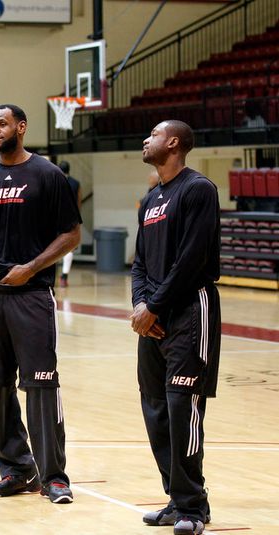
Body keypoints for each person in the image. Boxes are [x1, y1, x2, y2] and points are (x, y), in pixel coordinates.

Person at [0, 104, 81, 504]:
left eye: (2, 123)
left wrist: (31, 267)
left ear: (21, 128)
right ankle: (15, 470)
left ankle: (54, 476)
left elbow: (71, 234)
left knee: (41, 386)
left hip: (31, 296)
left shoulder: (47, 175)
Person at [131, 120, 220, 535]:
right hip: (154, 315)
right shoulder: (151, 199)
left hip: (189, 311)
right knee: (156, 411)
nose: (146, 140)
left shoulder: (198, 189)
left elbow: (192, 259)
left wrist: (156, 306)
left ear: (174, 143)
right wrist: (140, 305)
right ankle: (173, 497)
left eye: (153, 134)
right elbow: (140, 263)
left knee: (183, 408)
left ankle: (192, 508)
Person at [57, 161, 81, 288]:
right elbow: (78, 202)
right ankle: (64, 276)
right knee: (69, 249)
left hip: (55, 218)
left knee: (51, 246)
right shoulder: (75, 183)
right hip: (71, 218)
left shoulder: (55, 182)